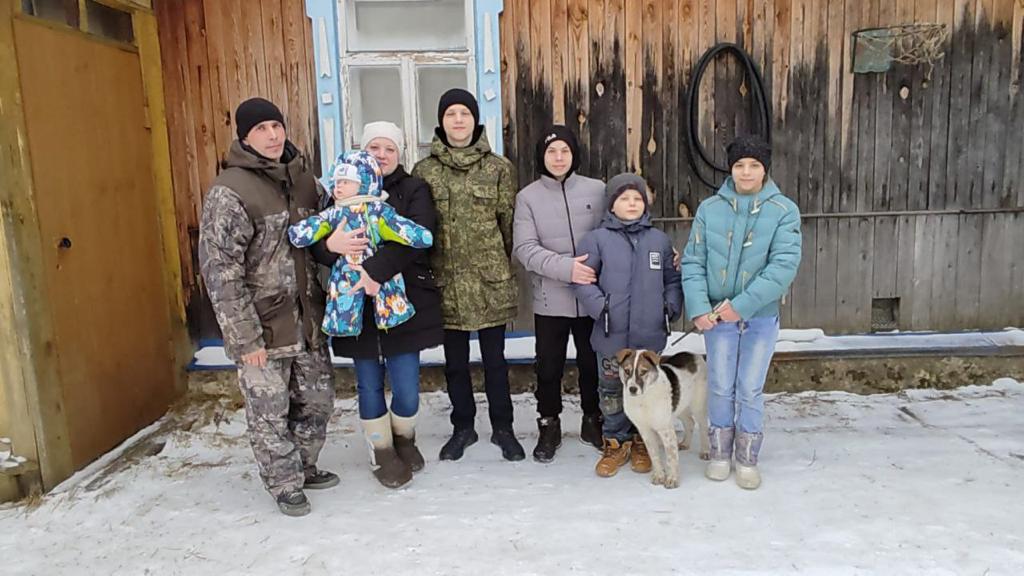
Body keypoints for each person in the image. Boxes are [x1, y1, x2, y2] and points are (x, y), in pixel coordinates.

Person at [198, 97, 337, 517]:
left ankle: (306, 465)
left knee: (317, 401)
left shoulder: (306, 179)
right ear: (244, 136)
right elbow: (220, 270)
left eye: (276, 125)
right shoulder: (230, 191)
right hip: (263, 325)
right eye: (261, 129)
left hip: (309, 320)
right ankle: (284, 483)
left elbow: (330, 231)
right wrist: (244, 338)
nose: (273, 135)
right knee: (269, 411)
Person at [327, 122, 444, 488]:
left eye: (389, 149)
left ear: (400, 154)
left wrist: (375, 271)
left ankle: (405, 439)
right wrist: (330, 246)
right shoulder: (343, 190)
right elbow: (318, 233)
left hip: (402, 301)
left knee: (407, 384)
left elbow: (417, 237)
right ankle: (381, 449)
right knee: (368, 383)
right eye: (374, 148)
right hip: (355, 305)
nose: (381, 155)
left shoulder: (413, 189)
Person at [681, 134, 802, 490]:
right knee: (720, 386)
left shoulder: (783, 211)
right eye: (739, 165)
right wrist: (700, 308)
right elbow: (693, 261)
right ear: (730, 169)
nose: (746, 172)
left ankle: (747, 458)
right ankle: (719, 453)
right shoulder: (710, 209)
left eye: (754, 166)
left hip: (759, 318)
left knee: (748, 388)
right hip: (717, 319)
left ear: (765, 170)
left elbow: (783, 267)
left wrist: (742, 305)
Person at [412, 88, 524, 462]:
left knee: (496, 361)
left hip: (488, 283)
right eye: (450, 114)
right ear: (441, 122)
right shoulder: (424, 170)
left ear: (475, 120)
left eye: (464, 113)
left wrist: (496, 266)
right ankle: (463, 428)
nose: (458, 120)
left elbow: (509, 225)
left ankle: (503, 428)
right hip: (446, 284)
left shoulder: (498, 168)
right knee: (455, 363)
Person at [573, 173, 682, 478]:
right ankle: (615, 442)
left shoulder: (658, 240)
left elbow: (672, 280)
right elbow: (583, 279)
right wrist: (600, 307)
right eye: (624, 198)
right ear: (612, 204)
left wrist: (669, 307)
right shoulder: (596, 239)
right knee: (611, 391)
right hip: (612, 336)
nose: (632, 204)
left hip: (649, 335)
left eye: (638, 198)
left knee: (648, 391)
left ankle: (641, 442)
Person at [512, 125, 605, 462]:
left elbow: (613, 233)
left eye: (564, 150)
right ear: (543, 156)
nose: (559, 157)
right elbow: (525, 248)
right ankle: (548, 423)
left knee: (591, 363)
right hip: (551, 300)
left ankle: (593, 420)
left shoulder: (598, 190)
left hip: (592, 298)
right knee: (548, 367)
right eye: (552, 151)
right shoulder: (528, 197)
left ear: (574, 154)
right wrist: (567, 269)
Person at [287, 151, 433, 338]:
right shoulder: (334, 212)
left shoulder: (377, 210)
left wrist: (418, 235)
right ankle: (342, 323)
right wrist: (301, 233)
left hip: (377, 266)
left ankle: (393, 314)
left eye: (345, 182)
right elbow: (316, 225)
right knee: (343, 292)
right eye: (337, 182)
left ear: (363, 183)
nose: (338, 187)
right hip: (346, 267)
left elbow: (396, 226)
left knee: (388, 289)